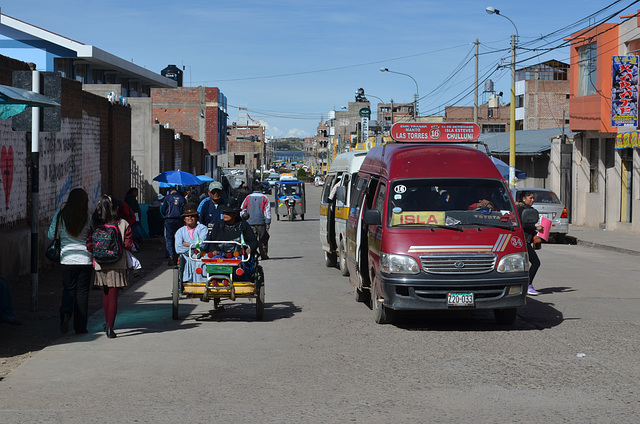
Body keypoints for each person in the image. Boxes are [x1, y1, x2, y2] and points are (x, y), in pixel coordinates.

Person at [87, 195, 133, 338]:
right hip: (117, 263)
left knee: (106, 293)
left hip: (100, 263)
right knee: (113, 294)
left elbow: (89, 245)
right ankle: (110, 327)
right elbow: (128, 245)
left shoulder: (96, 224)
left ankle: (107, 323)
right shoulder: (123, 224)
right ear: (117, 208)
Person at [47, 188, 93, 334]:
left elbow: (50, 235)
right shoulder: (88, 217)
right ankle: (80, 326)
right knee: (82, 293)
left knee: (69, 290)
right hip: (85, 259)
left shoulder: (59, 216)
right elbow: (93, 235)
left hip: (66, 259)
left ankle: (66, 314)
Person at [207, 198, 259, 281]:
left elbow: (254, 242)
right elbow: (211, 241)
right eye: (224, 212)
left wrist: (248, 249)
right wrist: (213, 250)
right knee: (213, 264)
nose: (225, 215)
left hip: (237, 255)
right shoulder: (218, 225)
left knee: (239, 266)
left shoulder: (243, 225)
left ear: (235, 214)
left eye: (228, 213)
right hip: (220, 255)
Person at [516, 191, 543, 296]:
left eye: (533, 198)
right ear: (524, 198)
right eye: (530, 198)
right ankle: (528, 285)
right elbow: (522, 225)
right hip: (522, 240)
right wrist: (535, 228)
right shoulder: (521, 210)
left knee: (523, 265)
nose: (533, 200)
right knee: (536, 262)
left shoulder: (527, 209)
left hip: (526, 240)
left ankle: (522, 286)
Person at [174, 203, 209, 283]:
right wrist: (193, 246)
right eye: (187, 216)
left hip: (201, 255)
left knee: (203, 261)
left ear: (197, 218)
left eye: (193, 216)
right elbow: (178, 248)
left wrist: (187, 244)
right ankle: (186, 281)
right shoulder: (180, 231)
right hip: (186, 256)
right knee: (185, 260)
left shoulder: (203, 228)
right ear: (184, 219)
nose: (190, 218)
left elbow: (202, 245)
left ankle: (203, 283)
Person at [241, 180, 272, 260]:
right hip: (261, 223)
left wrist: (244, 217)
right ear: (261, 190)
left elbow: (242, 208)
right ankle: (264, 255)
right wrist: (267, 223)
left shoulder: (248, 197)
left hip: (249, 223)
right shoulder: (265, 198)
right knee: (263, 240)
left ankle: (251, 255)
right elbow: (267, 211)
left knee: (251, 240)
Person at [161, 187, 186, 266]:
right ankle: (177, 255)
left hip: (169, 220)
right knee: (178, 238)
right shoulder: (182, 199)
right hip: (179, 220)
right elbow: (184, 210)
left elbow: (163, 209)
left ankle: (171, 255)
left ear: (171, 192)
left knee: (169, 238)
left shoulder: (167, 198)